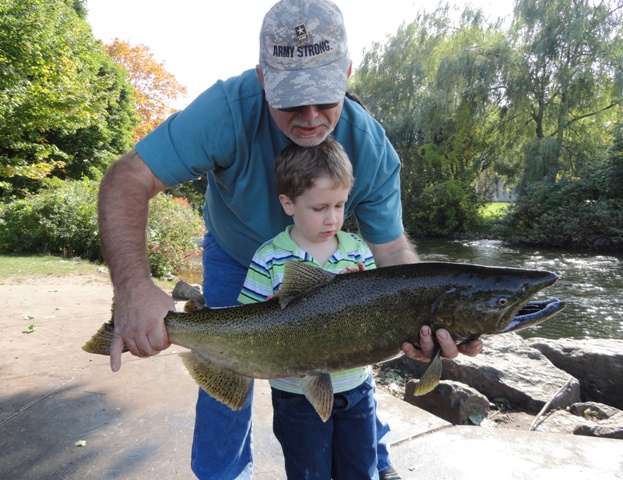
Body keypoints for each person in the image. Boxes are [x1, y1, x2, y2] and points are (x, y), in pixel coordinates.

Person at [97, 0, 483, 478]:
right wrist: (133, 288)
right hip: (237, 251)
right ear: (262, 78)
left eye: (325, 97)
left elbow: (394, 254)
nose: (310, 116)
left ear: (347, 72)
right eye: (290, 100)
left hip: (324, 260)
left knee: (350, 363)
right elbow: (126, 179)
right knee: (228, 372)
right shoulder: (225, 110)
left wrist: (432, 314)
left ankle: (374, 461)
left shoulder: (371, 146)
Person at [238, 137, 380, 479]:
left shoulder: (358, 251)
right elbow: (244, 322)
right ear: (288, 203)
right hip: (295, 395)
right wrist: (268, 313)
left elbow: (380, 310)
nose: (332, 219)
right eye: (319, 209)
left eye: (340, 205)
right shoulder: (269, 257)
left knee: (361, 471)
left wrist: (363, 287)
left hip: (356, 389)